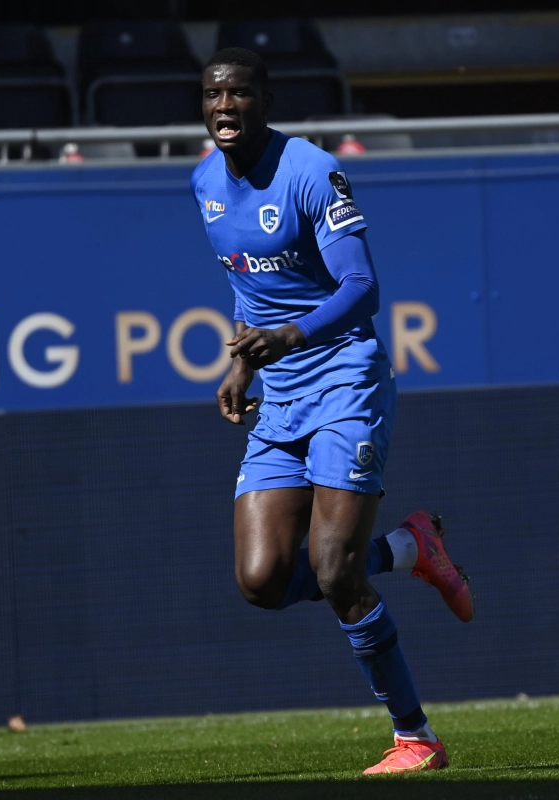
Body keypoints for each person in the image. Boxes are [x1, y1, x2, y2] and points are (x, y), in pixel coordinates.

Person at [190, 47, 474, 775]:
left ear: (266, 99)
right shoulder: (203, 182)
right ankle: (411, 550)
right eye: (214, 95)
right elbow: (248, 288)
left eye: (241, 94)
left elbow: (362, 285)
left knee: (335, 568)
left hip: (346, 381)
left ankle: (417, 739)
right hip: (280, 395)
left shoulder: (313, 173)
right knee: (262, 580)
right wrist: (242, 360)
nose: (227, 107)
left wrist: (289, 336)